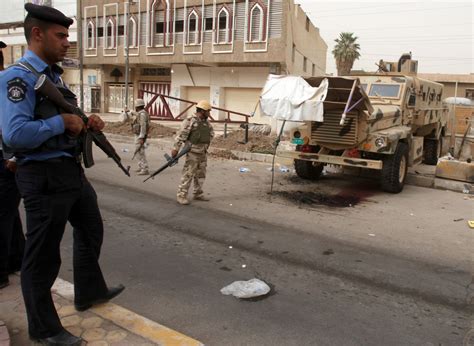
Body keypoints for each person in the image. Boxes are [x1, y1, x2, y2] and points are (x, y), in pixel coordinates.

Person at [0, 4, 124, 345]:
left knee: (91, 228)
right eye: (61, 35)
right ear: (37, 34)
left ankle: (88, 290)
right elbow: (14, 134)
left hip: (68, 171)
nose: (67, 41)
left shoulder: (53, 77)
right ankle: (45, 330)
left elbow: (69, 116)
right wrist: (61, 123)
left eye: (68, 34)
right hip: (42, 175)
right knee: (42, 256)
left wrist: (86, 122)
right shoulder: (17, 78)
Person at [172, 100, 214, 205]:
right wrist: (175, 149)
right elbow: (181, 136)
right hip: (192, 152)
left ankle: (198, 193)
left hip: (203, 152)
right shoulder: (190, 121)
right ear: (203, 111)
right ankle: (181, 195)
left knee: (200, 174)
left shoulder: (206, 123)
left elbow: (211, 134)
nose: (209, 113)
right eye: (208, 111)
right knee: (188, 174)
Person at [0, 135, 25, 289]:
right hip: (6, 156)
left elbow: (17, 126)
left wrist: (15, 158)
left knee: (3, 215)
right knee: (8, 212)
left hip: (6, 157)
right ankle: (16, 258)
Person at [131, 99, 150, 175]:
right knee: (138, 152)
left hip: (140, 136)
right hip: (138, 134)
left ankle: (144, 169)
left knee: (140, 152)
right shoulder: (140, 113)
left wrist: (141, 137)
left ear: (137, 106)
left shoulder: (142, 115)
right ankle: (140, 166)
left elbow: (143, 126)